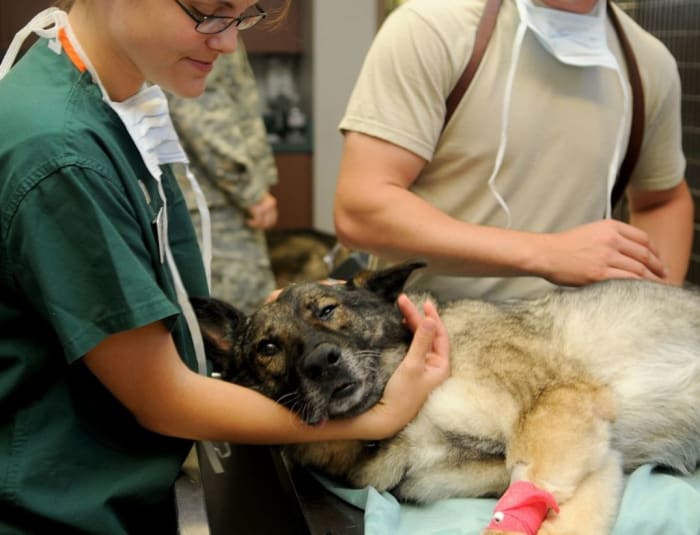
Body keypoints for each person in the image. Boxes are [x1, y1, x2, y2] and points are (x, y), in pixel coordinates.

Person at [0, 1, 450, 533]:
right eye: (210, 12)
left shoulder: (112, 105)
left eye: (243, 18)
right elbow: (162, 398)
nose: (228, 42)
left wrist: (287, 321)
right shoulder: (63, 153)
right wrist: (383, 415)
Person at [334, 0, 694, 303]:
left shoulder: (648, 63)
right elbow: (361, 209)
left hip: (577, 350)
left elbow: (662, 200)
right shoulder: (434, 29)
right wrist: (547, 253)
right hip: (429, 345)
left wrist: (653, 309)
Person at [167, 39, 278, 314]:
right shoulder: (205, 21)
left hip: (209, 199)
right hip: (214, 205)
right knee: (237, 323)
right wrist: (250, 191)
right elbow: (201, 112)